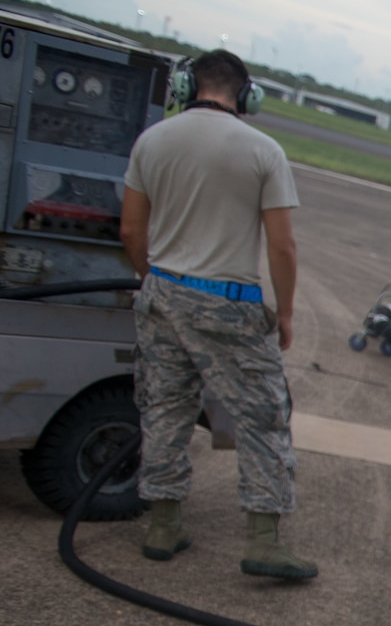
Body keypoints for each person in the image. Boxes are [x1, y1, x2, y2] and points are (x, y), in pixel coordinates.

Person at [119, 49, 315, 579]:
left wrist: (151, 281)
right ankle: (264, 541)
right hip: (229, 303)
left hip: (162, 293)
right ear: (248, 97)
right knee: (263, 419)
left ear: (185, 87)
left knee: (164, 409)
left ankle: (163, 526)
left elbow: (131, 232)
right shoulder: (263, 150)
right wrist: (288, 313)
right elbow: (283, 248)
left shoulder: (152, 141)